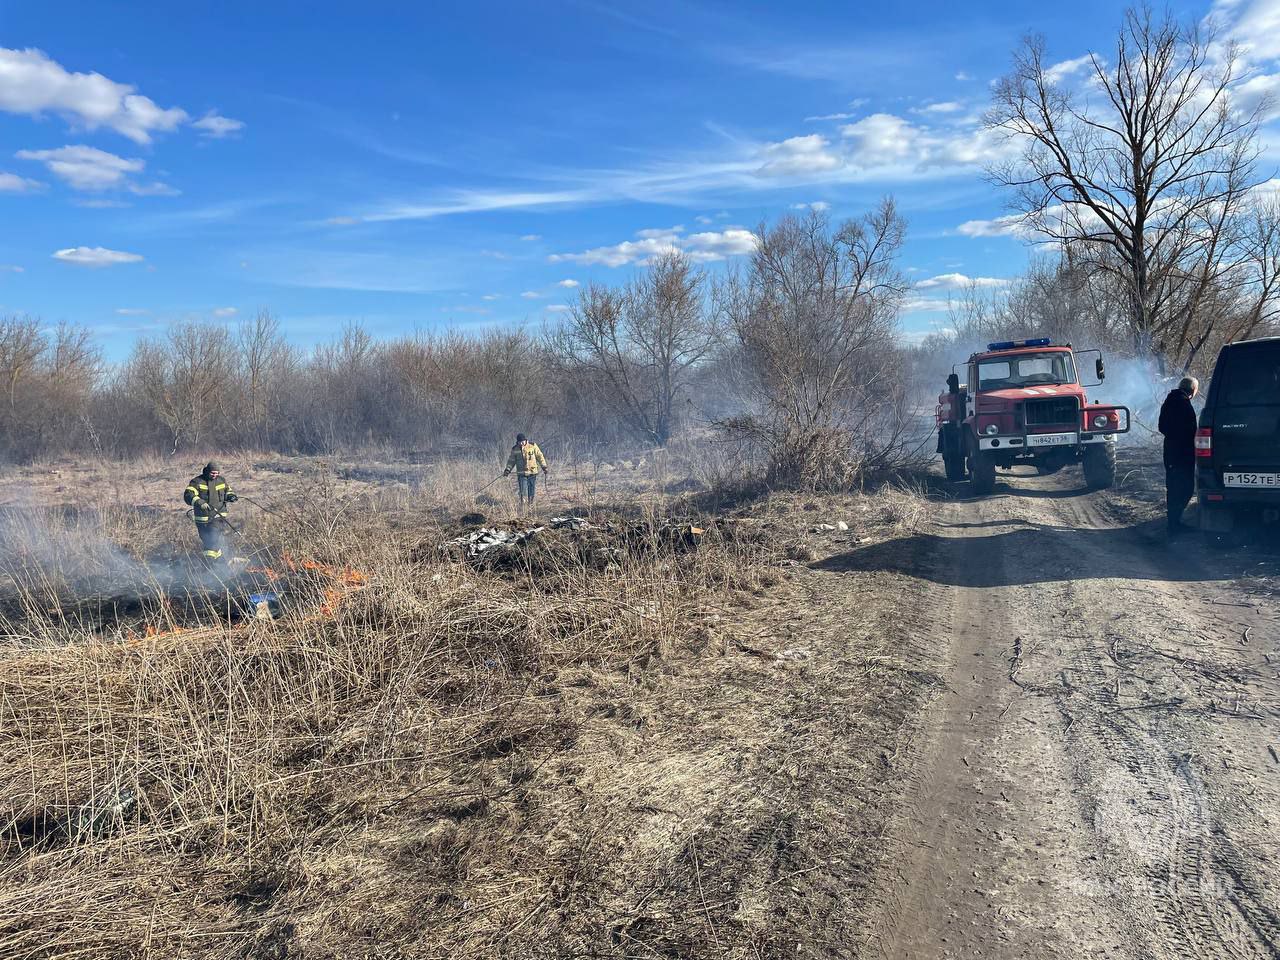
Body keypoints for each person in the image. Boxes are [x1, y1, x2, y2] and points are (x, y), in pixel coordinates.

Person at [1158, 376, 1199, 537]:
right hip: (1182, 453)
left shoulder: (1170, 400)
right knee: (1185, 488)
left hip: (1170, 451)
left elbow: (1162, 426)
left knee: (1174, 487)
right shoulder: (1183, 403)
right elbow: (1190, 429)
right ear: (1193, 390)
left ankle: (1174, 523)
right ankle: (1174, 525)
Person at [183, 461, 238, 563]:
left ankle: (211, 563)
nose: (215, 475)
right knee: (208, 542)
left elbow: (228, 491)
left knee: (213, 539)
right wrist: (199, 502)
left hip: (218, 517)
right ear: (207, 471)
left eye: (217, 473)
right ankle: (216, 562)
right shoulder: (197, 481)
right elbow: (188, 495)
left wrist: (231, 496)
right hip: (203, 519)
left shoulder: (221, 481)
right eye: (213, 473)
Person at [503, 433, 549, 514]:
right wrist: (508, 469)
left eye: (523, 441)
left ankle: (530, 505)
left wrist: (544, 466)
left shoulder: (533, 445)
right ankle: (522, 506)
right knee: (522, 490)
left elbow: (540, 456)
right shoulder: (515, 449)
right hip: (521, 473)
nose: (521, 443)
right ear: (517, 442)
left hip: (532, 472)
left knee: (531, 490)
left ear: (525, 440)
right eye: (520, 442)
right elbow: (511, 461)